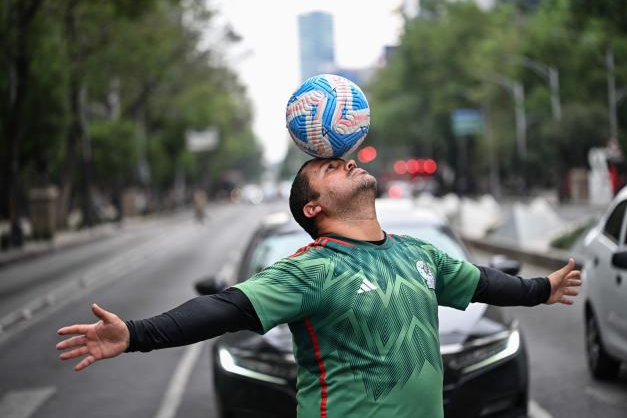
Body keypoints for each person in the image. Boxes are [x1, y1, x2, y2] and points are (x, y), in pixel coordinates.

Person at [57, 157, 581, 418]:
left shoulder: (417, 253)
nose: (350, 161)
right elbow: (223, 308)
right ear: (315, 208)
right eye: (332, 167)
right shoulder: (310, 270)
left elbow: (483, 282)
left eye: (346, 159)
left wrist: (541, 288)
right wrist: (136, 333)